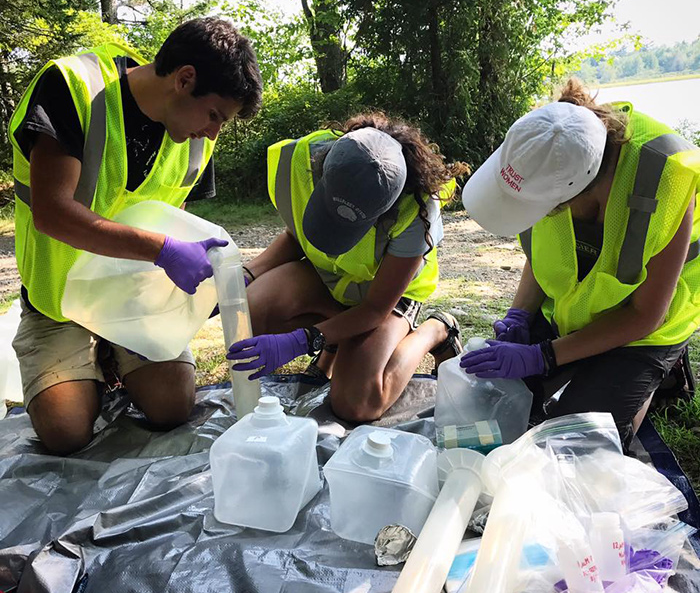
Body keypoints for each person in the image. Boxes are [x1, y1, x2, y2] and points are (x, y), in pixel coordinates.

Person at [9, 17, 263, 455]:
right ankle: (86, 364)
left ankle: (109, 355)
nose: (213, 131)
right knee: (66, 433)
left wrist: (204, 279)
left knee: (173, 406)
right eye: (215, 115)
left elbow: (174, 219)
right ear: (185, 79)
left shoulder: (195, 140)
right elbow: (52, 214)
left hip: (128, 302)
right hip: (56, 305)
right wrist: (162, 251)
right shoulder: (74, 87)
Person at [459, 78, 700, 451]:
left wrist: (544, 356)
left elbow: (645, 315)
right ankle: (595, 367)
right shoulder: (546, 152)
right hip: (578, 310)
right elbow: (544, 253)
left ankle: (652, 378)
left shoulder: (663, 178)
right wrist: (519, 315)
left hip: (650, 323)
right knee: (499, 403)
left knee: (575, 440)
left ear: (573, 194)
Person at [227, 114, 468, 421]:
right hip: (326, 279)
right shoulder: (298, 161)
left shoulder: (416, 210)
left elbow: (374, 309)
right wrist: (245, 275)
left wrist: (305, 339)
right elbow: (296, 236)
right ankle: (338, 342)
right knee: (253, 310)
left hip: (383, 299)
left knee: (357, 401)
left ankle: (436, 331)